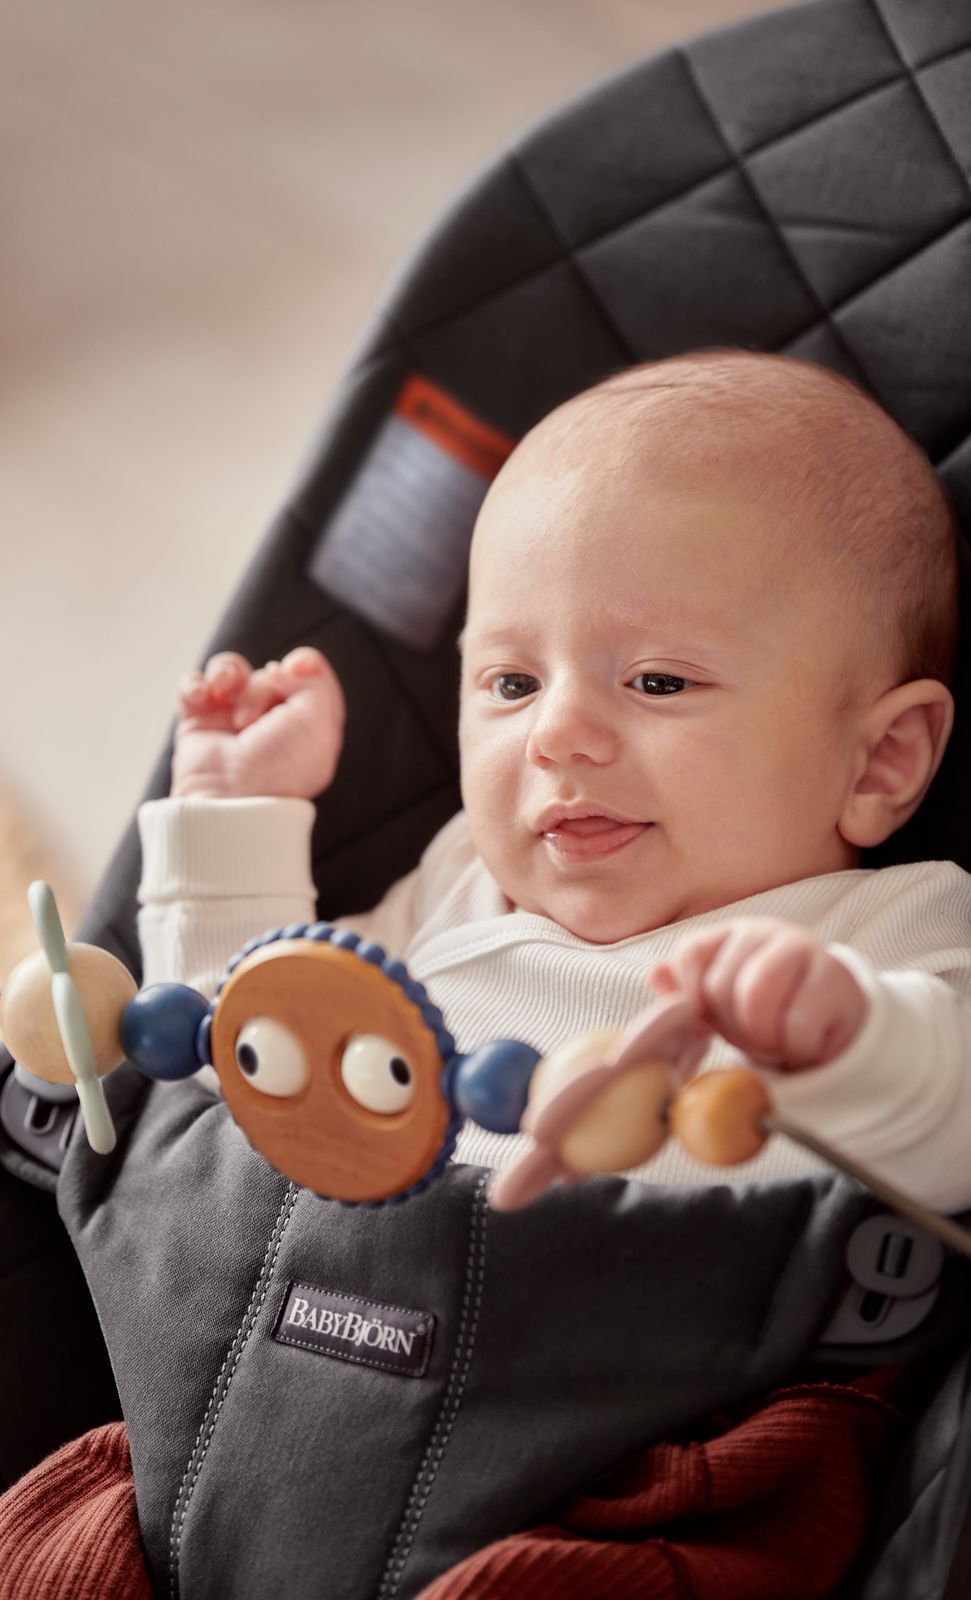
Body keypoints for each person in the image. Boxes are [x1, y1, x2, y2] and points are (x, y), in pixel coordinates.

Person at [139, 348, 971, 1210]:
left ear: (880, 760)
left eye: (658, 682)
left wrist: (854, 1044)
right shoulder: (458, 882)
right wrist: (232, 815)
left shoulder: (884, 935)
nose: (556, 736)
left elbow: (954, 1141)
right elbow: (245, 1059)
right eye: (512, 684)